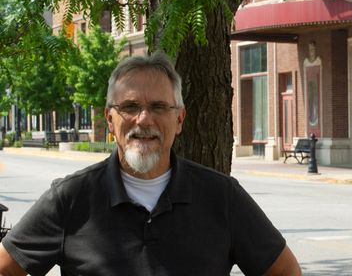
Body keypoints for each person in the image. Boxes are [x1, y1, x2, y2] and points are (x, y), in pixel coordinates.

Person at [0, 52, 301, 276]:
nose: (144, 119)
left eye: (158, 106)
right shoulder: (71, 197)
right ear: (110, 118)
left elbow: (284, 271)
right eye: (130, 107)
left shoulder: (221, 196)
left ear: (179, 119)